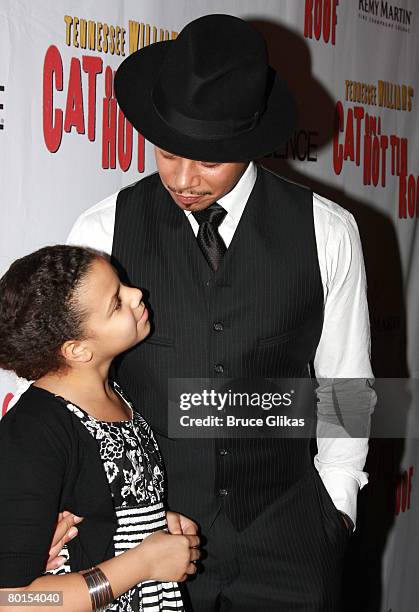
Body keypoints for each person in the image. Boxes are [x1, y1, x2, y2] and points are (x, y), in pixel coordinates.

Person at [63, 14, 376, 612]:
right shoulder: (103, 230)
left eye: (210, 161)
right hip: (146, 541)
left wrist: (337, 507)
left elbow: (346, 386)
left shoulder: (327, 232)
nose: (184, 180)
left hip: (291, 542)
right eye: (169, 153)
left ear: (251, 141)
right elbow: (72, 392)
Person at [0, 245, 200, 611]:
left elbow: (98, 512)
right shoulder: (34, 432)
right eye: (116, 303)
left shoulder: (117, 396)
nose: (137, 294)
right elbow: (14, 601)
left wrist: (148, 526)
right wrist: (142, 563)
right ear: (77, 351)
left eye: (122, 284)